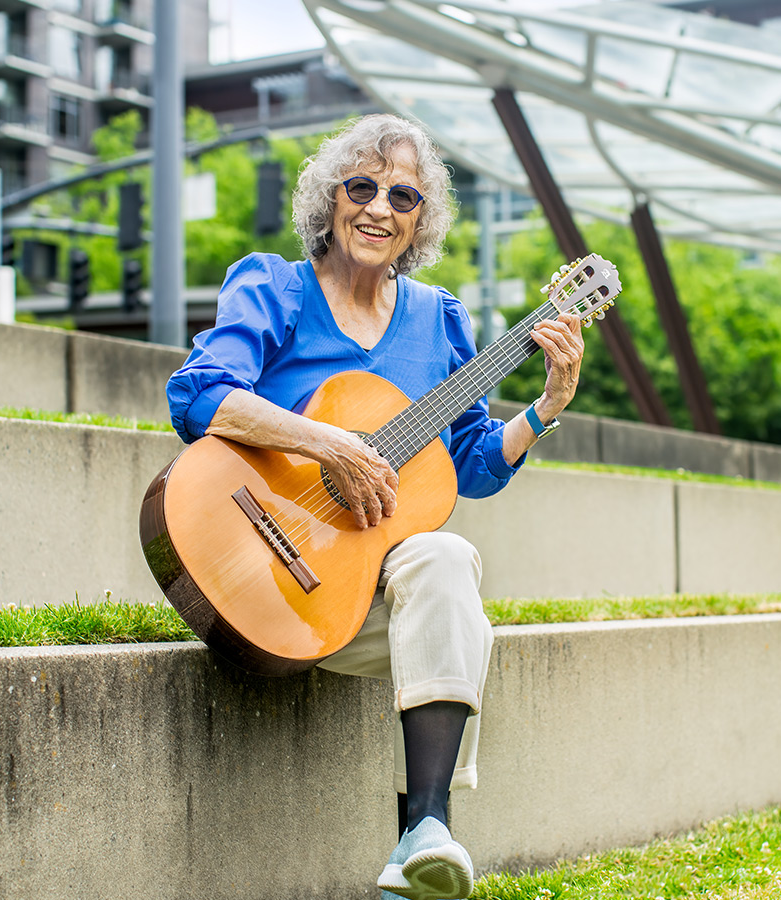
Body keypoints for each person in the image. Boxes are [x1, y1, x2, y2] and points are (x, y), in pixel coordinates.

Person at [165, 114, 585, 900]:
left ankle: (423, 833)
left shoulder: (440, 321)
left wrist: (544, 406)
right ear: (330, 199)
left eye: (403, 195)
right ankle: (421, 834)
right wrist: (326, 444)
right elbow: (197, 395)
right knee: (462, 621)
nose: (378, 208)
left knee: (447, 558)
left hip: (350, 603)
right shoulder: (274, 286)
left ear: (420, 220)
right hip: (253, 568)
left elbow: (470, 467)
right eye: (361, 186)